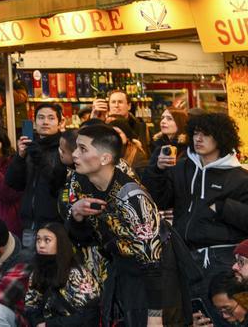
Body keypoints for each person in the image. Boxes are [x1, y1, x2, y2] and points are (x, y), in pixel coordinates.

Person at [68, 123, 186, 326]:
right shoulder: (79, 180)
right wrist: (76, 214)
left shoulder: (132, 197)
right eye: (76, 147)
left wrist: (155, 317)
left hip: (154, 275)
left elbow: (153, 261)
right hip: (119, 269)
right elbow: (83, 238)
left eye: (83, 149)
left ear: (105, 158)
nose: (74, 154)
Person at [144, 112, 248, 276]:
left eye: (205, 134)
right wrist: (157, 170)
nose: (198, 139)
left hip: (222, 258)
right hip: (183, 254)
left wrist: (222, 207)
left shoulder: (240, 177)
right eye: (195, 133)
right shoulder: (182, 167)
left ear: (221, 137)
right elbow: (160, 201)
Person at [5, 103, 67, 250]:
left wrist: (40, 159)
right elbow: (13, 183)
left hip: (54, 224)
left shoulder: (64, 149)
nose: (45, 122)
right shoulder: (30, 147)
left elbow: (57, 183)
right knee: (29, 266)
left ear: (60, 123)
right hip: (29, 225)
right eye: (41, 118)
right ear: (34, 122)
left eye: (51, 118)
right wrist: (20, 156)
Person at [23, 222, 100, 326]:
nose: (41, 245)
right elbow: (31, 305)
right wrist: (38, 323)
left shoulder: (77, 273)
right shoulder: (36, 272)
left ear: (60, 243)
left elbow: (89, 315)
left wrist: (49, 325)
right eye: (38, 240)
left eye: (47, 240)